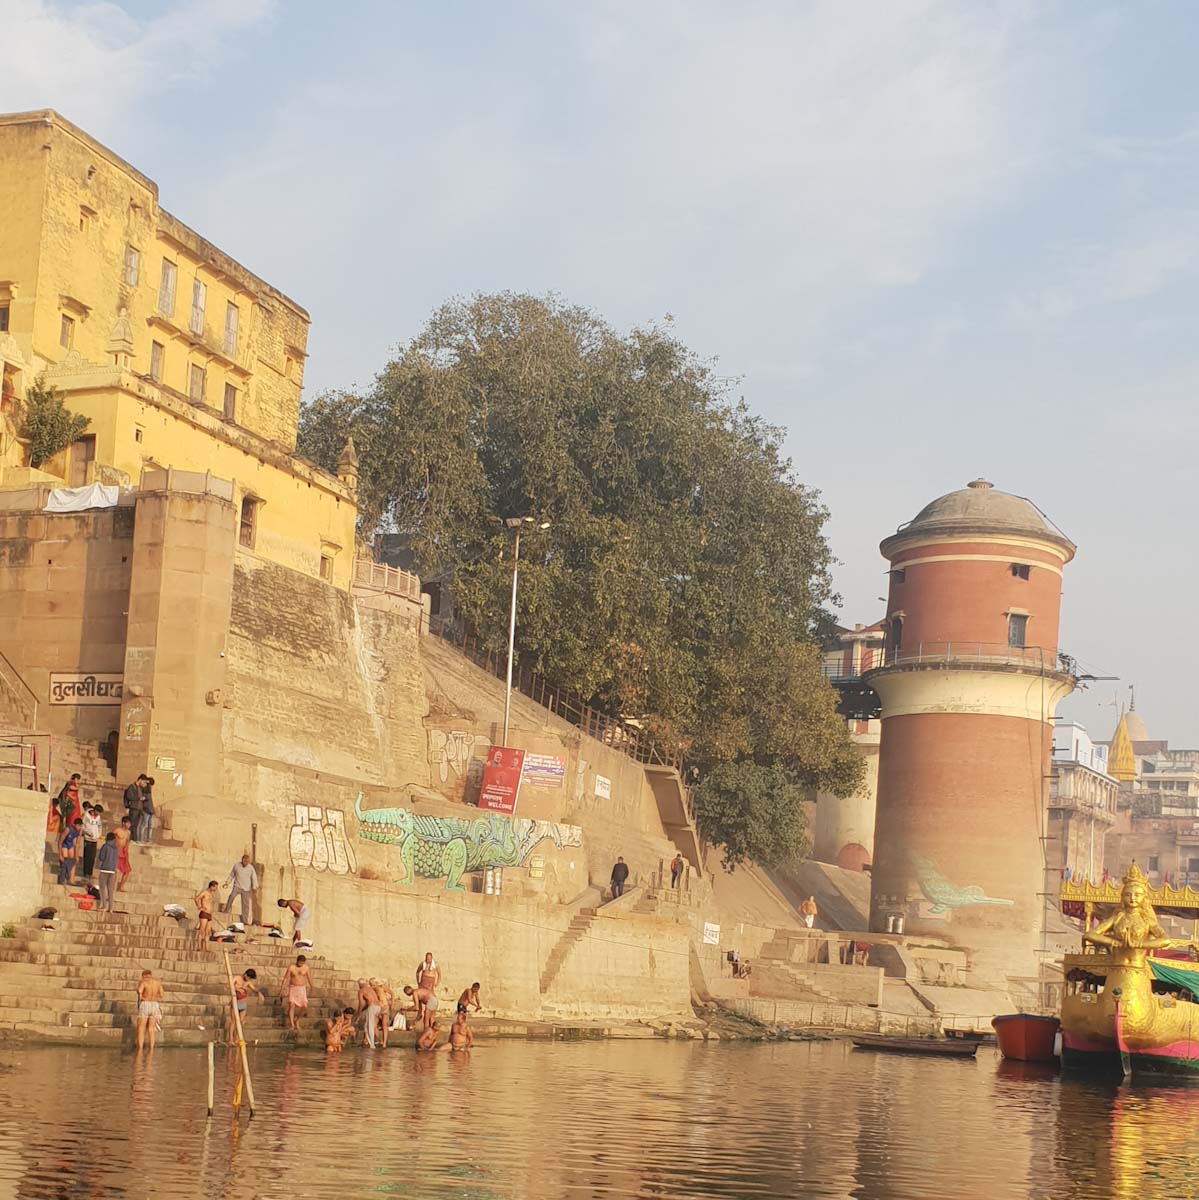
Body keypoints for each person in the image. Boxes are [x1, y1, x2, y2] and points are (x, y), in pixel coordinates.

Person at [222, 854, 259, 925]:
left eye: (247, 861)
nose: (246, 862)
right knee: (231, 896)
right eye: (245, 861)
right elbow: (232, 875)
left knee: (246, 905)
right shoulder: (236, 866)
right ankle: (226, 910)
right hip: (237, 886)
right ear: (242, 860)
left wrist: (254, 887)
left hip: (246, 888)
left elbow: (254, 878)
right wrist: (227, 883)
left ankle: (245, 920)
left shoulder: (251, 868)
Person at [227, 968, 260, 1044]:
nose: (249, 979)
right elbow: (228, 986)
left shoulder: (248, 982)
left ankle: (237, 1039)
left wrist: (259, 993)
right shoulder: (237, 978)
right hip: (235, 1002)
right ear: (245, 974)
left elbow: (254, 989)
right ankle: (230, 1039)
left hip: (243, 1004)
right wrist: (237, 989)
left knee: (240, 1022)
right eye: (249, 977)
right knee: (233, 1021)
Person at [281, 955, 312, 1032]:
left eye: (302, 962)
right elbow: (285, 978)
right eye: (299, 962)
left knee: (305, 1006)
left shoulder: (306, 968)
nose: (300, 964)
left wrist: (312, 986)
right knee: (292, 1005)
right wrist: (282, 988)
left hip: (302, 989)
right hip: (293, 988)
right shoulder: (291, 967)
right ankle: (292, 1024)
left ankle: (297, 1020)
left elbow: (309, 977)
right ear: (297, 961)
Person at [136, 968, 163, 1052]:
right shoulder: (158, 983)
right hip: (155, 1005)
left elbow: (140, 991)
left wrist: (139, 990)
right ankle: (151, 1050)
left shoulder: (144, 982)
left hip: (145, 1004)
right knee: (151, 1029)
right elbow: (162, 994)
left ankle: (140, 1050)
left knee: (141, 1028)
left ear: (144, 976)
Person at [96, 832, 118, 912]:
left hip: (104, 869)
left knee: (102, 888)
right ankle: (111, 908)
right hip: (112, 870)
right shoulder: (116, 848)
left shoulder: (105, 846)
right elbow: (116, 860)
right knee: (110, 890)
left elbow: (101, 857)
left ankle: (104, 906)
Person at [81, 803, 103, 882]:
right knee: (87, 856)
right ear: (95, 810)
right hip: (88, 839)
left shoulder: (98, 818)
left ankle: (90, 873)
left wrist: (98, 835)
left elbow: (100, 826)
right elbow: (83, 826)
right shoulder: (86, 816)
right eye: (98, 812)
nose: (98, 814)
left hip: (95, 840)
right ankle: (85, 873)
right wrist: (88, 832)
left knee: (92, 857)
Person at [57, 818, 83, 886]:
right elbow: (60, 841)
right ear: (74, 825)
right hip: (64, 844)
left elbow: (77, 844)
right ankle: (63, 879)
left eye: (80, 826)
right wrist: (60, 854)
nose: (79, 827)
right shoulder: (68, 829)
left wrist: (76, 856)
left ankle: (71, 879)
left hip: (70, 844)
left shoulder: (80, 831)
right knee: (65, 861)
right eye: (78, 825)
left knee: (73, 861)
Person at [357, 979, 382, 1049]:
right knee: (366, 1025)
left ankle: (372, 1045)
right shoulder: (370, 989)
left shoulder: (361, 991)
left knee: (369, 1026)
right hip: (378, 1007)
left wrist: (358, 1013)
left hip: (372, 1007)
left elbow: (361, 1004)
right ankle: (367, 1041)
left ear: (359, 985)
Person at [193, 881, 218, 949]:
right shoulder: (204, 892)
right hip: (204, 913)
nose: (216, 889)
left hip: (209, 914)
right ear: (212, 886)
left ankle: (206, 948)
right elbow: (196, 898)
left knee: (208, 932)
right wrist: (199, 907)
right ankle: (198, 947)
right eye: (215, 887)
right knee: (202, 931)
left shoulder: (211, 894)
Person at [122, 775, 146, 841]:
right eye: (143, 782)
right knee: (131, 825)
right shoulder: (132, 787)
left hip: (139, 809)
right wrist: (138, 798)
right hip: (133, 808)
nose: (144, 783)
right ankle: (129, 839)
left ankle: (134, 839)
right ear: (140, 780)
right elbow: (129, 796)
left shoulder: (140, 788)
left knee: (135, 825)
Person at [115, 817, 133, 891]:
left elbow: (127, 841)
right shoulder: (117, 831)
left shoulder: (128, 832)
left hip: (124, 852)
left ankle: (121, 887)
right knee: (115, 870)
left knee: (127, 870)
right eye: (128, 823)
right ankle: (112, 886)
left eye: (130, 823)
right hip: (116, 851)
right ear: (123, 823)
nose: (129, 825)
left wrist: (126, 851)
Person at [138, 777, 155, 844]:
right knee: (143, 825)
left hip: (150, 809)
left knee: (150, 825)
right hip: (146, 809)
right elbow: (144, 799)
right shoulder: (144, 789)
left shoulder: (149, 790)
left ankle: (149, 839)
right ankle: (140, 839)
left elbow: (150, 801)